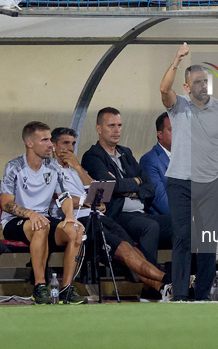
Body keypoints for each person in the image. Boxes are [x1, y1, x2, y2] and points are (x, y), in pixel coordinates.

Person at [50, 127, 172, 302]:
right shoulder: (49, 169)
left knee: (133, 251)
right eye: (65, 143)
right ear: (54, 145)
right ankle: (170, 279)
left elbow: (96, 189)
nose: (70, 148)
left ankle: (162, 288)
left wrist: (78, 168)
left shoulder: (75, 169)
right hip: (80, 220)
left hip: (99, 216)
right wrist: (87, 201)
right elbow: (60, 197)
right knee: (124, 252)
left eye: (73, 144)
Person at [160, 43, 218, 301]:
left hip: (210, 183)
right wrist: (176, 61)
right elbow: (164, 89)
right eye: (197, 82)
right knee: (182, 239)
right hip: (180, 183)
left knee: (208, 240)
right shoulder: (178, 106)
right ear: (187, 87)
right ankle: (181, 295)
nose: (203, 86)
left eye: (205, 81)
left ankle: (203, 295)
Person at [0, 121, 86, 304]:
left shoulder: (53, 166)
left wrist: (70, 216)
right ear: (30, 143)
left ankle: (66, 289)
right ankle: (39, 287)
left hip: (44, 220)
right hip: (16, 221)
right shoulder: (13, 167)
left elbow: (65, 196)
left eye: (50, 140)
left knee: (76, 231)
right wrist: (31, 214)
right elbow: (6, 204)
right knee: (40, 226)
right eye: (45, 140)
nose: (50, 144)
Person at [81, 107, 172, 267]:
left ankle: (185, 277)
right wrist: (135, 182)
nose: (117, 130)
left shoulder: (126, 153)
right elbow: (109, 186)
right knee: (150, 227)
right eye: (111, 126)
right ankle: (150, 283)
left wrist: (130, 190)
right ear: (99, 129)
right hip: (116, 215)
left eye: (119, 125)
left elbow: (149, 187)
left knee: (182, 222)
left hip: (140, 212)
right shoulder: (93, 156)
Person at [139, 112, 218, 261]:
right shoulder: (150, 160)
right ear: (160, 134)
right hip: (168, 219)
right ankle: (189, 277)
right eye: (172, 130)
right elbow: (161, 200)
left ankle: (193, 276)